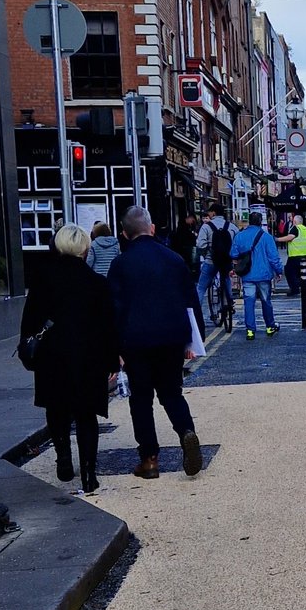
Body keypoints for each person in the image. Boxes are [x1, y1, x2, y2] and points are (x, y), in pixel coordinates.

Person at [18, 224, 119, 494]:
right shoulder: (97, 283)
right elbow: (108, 327)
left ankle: (63, 458)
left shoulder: (42, 278)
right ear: (85, 248)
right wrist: (112, 362)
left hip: (52, 356)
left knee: (57, 409)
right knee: (86, 415)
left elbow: (29, 321)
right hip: (89, 358)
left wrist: (29, 351)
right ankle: (88, 474)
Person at [107, 205, 205, 479]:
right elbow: (191, 302)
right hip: (171, 338)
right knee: (172, 393)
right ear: (151, 228)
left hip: (135, 341)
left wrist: (114, 349)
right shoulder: (174, 259)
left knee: (141, 399)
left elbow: (114, 310)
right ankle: (187, 432)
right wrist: (193, 341)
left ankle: (149, 460)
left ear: (124, 233)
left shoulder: (120, 264)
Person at [230, 211, 283, 340]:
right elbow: (274, 258)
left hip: (247, 275)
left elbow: (233, 254)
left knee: (249, 302)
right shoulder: (267, 237)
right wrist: (279, 271)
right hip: (264, 275)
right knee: (266, 301)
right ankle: (270, 326)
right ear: (260, 222)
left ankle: (250, 330)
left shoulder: (239, 236)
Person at [195, 202, 236, 314]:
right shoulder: (231, 226)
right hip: (226, 261)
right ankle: (229, 301)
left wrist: (206, 253)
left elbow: (200, 245)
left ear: (213, 213)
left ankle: (197, 314)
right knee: (226, 277)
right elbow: (237, 244)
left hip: (211, 260)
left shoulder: (206, 226)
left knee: (201, 287)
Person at [276, 213, 306, 297]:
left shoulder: (295, 228)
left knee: (289, 271)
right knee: (304, 273)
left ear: (295, 221)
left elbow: (290, 237)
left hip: (296, 255)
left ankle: (294, 289)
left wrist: (277, 239)